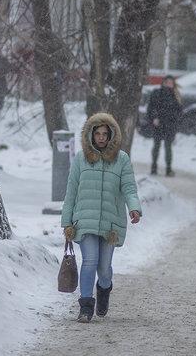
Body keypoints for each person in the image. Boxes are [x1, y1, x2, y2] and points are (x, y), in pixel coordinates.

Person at [61, 112, 142, 323]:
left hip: (110, 222)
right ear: (90, 135)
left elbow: (129, 189)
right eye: (97, 134)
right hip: (84, 219)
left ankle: (104, 289)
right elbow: (71, 191)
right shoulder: (81, 159)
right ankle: (86, 307)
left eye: (105, 134)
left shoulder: (121, 159)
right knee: (89, 261)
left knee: (104, 268)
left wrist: (134, 208)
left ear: (112, 135)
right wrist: (67, 221)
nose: (101, 138)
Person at [147, 74, 182, 176]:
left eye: (171, 83)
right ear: (163, 83)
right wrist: (154, 118)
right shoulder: (157, 93)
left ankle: (168, 169)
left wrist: (175, 121)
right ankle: (154, 167)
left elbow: (179, 111)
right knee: (156, 145)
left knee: (168, 147)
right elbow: (151, 107)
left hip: (170, 124)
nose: (169, 85)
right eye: (167, 82)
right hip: (158, 124)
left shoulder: (176, 95)